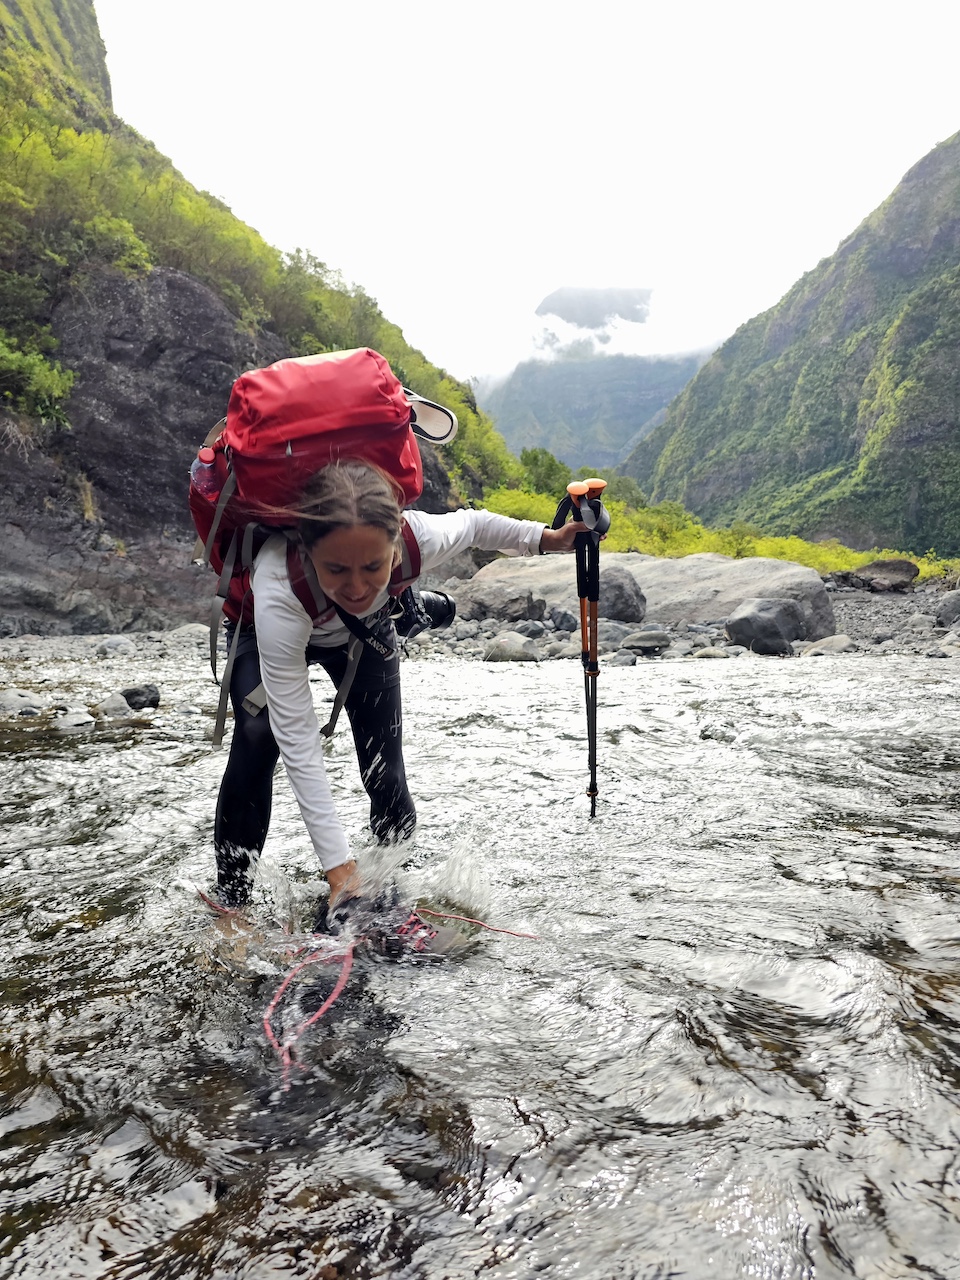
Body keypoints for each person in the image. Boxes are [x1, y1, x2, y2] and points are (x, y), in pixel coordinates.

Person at [213, 459, 580, 916]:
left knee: (386, 768)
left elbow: (475, 526)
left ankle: (391, 886)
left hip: (365, 632)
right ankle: (231, 905)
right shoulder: (278, 586)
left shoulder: (417, 537)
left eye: (373, 566)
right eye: (337, 569)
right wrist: (339, 870)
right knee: (258, 736)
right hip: (263, 629)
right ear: (306, 552)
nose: (357, 585)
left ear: (395, 548)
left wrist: (550, 539)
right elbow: (299, 740)